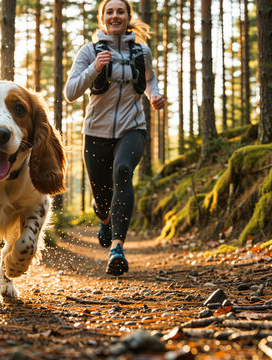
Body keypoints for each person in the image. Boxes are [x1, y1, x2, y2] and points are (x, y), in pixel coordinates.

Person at [64, 0, 165, 276]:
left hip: (133, 128)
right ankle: (105, 218)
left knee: (123, 172)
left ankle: (117, 249)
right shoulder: (89, 51)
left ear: (128, 17)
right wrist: (94, 67)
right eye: (110, 11)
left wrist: (154, 95)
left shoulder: (141, 51)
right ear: (103, 18)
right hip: (95, 133)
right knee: (102, 196)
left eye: (120, 11)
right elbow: (70, 92)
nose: (115, 15)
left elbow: (149, 80)